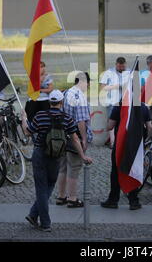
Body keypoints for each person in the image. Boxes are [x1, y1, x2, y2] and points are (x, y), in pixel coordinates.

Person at [21, 90, 90, 232]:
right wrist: (83, 156)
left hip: (40, 153)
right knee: (50, 184)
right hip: (56, 155)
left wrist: (24, 119)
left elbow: (27, 132)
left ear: (49, 102)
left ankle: (44, 223)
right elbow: (75, 139)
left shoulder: (40, 116)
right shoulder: (67, 118)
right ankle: (34, 215)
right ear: (61, 102)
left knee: (41, 188)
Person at [100, 100, 152, 210]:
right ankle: (134, 201)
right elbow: (149, 127)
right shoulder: (143, 107)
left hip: (120, 144)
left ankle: (113, 200)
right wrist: (145, 139)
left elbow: (110, 126)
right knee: (134, 171)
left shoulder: (119, 106)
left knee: (116, 171)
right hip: (136, 146)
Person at [56, 72, 93, 207]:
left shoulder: (65, 93)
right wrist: (84, 139)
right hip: (74, 136)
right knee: (74, 167)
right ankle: (72, 198)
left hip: (62, 135)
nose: (88, 86)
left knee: (63, 167)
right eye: (88, 83)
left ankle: (61, 196)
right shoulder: (80, 97)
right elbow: (81, 121)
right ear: (84, 82)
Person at [100, 57, 130, 148]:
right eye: (119, 67)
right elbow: (103, 87)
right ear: (116, 64)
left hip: (125, 102)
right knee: (111, 121)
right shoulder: (109, 73)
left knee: (124, 122)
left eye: (123, 67)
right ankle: (113, 143)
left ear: (125, 64)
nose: (121, 69)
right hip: (111, 102)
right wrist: (116, 86)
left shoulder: (130, 72)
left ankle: (122, 141)